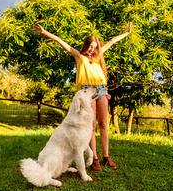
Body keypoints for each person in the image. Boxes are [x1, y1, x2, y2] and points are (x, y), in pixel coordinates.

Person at [32, 23, 132, 171]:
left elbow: (111, 41)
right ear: (86, 45)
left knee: (103, 124)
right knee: (90, 126)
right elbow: (60, 41)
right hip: (87, 92)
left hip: (102, 90)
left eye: (95, 46)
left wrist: (127, 33)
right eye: (90, 46)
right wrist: (44, 32)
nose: (92, 49)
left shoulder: (98, 57)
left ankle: (106, 156)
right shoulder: (79, 56)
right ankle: (95, 159)